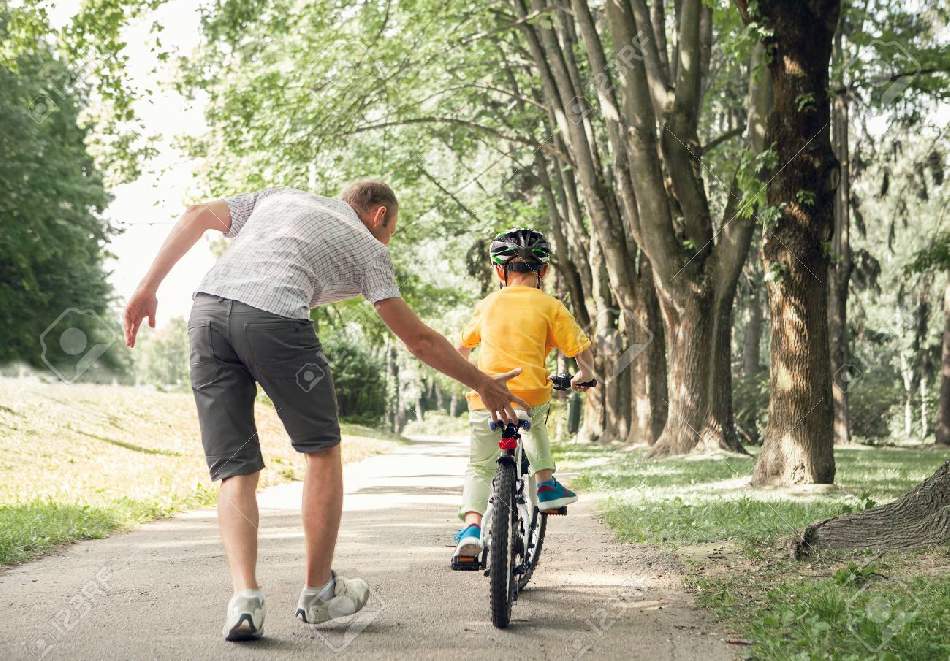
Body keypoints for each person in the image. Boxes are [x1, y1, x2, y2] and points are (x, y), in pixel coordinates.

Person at [122, 181, 529, 641]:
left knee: (235, 467)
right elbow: (418, 339)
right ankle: (318, 592)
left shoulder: (279, 197)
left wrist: (146, 287)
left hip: (207, 315)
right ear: (379, 216)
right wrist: (482, 383)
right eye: (392, 229)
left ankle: (245, 600)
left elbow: (196, 214)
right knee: (322, 450)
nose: (388, 239)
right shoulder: (369, 246)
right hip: (273, 319)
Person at [451, 228, 596, 565]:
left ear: (499, 271)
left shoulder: (488, 304)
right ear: (543, 271)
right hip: (530, 392)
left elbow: (461, 349)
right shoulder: (550, 305)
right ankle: (545, 484)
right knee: (535, 425)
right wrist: (585, 374)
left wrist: (471, 377)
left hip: (485, 395)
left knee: (479, 466)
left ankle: (472, 529)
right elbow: (579, 347)